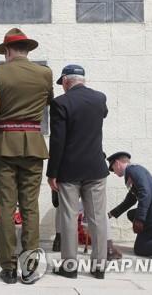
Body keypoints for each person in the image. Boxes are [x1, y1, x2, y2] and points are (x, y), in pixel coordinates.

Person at [0, 28, 53, 284]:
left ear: (8, 51)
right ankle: (30, 267)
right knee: (30, 208)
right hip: (33, 145)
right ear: (27, 50)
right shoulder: (44, 74)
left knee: (7, 209)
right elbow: (47, 104)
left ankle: (9, 268)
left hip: (4, 147)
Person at [47, 65, 109, 279]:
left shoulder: (60, 103)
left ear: (65, 81)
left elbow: (57, 141)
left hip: (69, 170)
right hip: (96, 168)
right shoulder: (100, 98)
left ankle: (70, 266)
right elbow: (104, 114)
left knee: (68, 218)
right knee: (98, 219)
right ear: (84, 79)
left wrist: (51, 172)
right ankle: (99, 267)